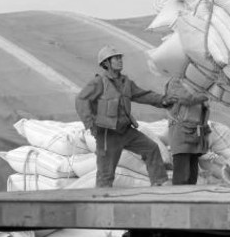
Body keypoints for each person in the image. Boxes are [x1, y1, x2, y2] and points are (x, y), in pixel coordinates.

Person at [75, 45, 175, 187]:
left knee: (151, 148)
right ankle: (101, 201)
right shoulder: (98, 82)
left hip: (126, 131)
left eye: (120, 58)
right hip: (107, 134)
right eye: (116, 58)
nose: (120, 60)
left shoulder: (126, 82)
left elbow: (143, 95)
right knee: (106, 173)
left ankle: (160, 184)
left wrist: (163, 100)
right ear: (106, 63)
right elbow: (81, 100)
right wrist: (90, 123)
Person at [165, 78, 211, 185]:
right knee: (182, 175)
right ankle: (178, 199)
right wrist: (206, 95)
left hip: (195, 134)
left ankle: (189, 199)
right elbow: (187, 99)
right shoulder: (175, 83)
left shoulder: (197, 86)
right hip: (181, 133)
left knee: (192, 175)